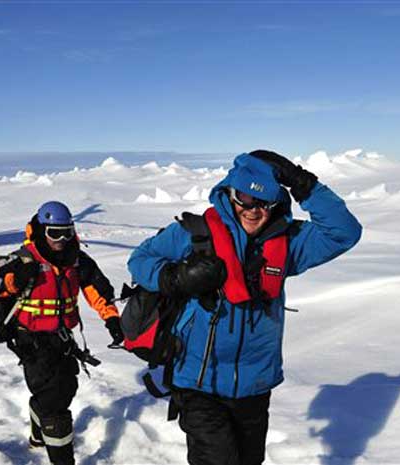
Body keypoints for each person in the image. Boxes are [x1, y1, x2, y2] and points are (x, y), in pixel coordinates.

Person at [127, 150, 362, 465]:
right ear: (228, 193)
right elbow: (140, 261)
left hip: (255, 384)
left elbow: (345, 232)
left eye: (264, 203)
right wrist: (176, 277)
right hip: (198, 382)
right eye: (245, 199)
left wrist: (303, 183)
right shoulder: (195, 235)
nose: (253, 210)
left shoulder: (288, 243)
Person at [0, 201, 124, 465]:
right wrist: (13, 282)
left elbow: (97, 291)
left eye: (67, 232)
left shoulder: (77, 261)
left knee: (66, 387)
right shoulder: (23, 260)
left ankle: (37, 428)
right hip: (30, 340)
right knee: (56, 406)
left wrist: (112, 320)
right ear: (42, 230)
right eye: (55, 233)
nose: (62, 239)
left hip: (63, 339)